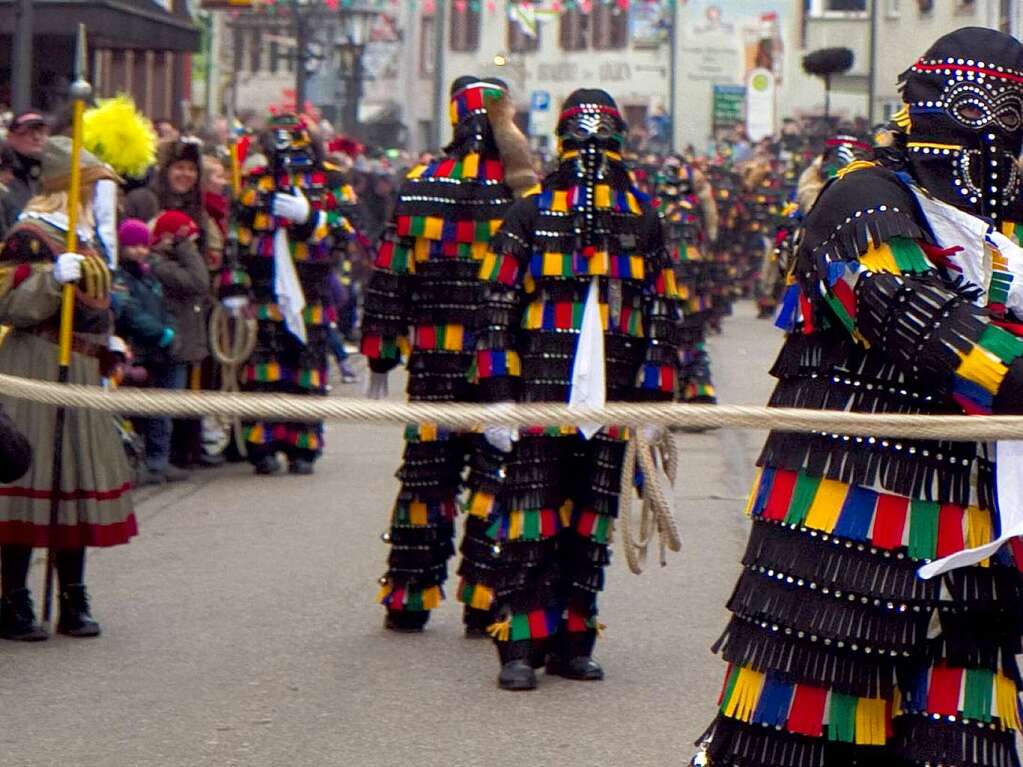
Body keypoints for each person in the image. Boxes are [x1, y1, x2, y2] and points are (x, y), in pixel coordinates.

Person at [693, 28, 1023, 766]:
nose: (1000, 138)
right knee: (805, 740)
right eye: (987, 110)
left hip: (975, 546)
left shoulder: (1008, 221)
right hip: (840, 532)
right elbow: (934, 330)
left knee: (967, 747)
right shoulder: (861, 198)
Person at [465, 89, 685, 690]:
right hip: (540, 389)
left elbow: (664, 310)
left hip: (609, 399)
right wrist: (499, 396)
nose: (592, 156)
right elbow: (498, 306)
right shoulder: (529, 214)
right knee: (528, 521)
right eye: (582, 143)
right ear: (563, 144)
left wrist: (654, 405)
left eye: (603, 143)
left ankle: (572, 639)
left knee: (590, 525)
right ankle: (518, 645)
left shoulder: (642, 216)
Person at [362, 76, 536, 635]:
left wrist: (382, 352)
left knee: (426, 476)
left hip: (435, 359)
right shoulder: (525, 195)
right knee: (496, 477)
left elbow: (391, 277)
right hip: (500, 362)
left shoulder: (419, 186)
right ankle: (484, 600)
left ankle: (409, 596)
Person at [0, 137, 137, 641]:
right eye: (94, 185)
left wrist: (109, 337)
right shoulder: (30, 234)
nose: (103, 196)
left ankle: (73, 596)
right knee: (28, 485)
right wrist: (51, 281)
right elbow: (8, 304)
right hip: (37, 364)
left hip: (81, 366)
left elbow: (100, 302)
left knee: (73, 479)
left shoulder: (90, 236)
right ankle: (12, 597)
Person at [230, 113, 357, 476]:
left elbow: (350, 232)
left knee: (307, 374)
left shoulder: (333, 181)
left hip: (312, 293)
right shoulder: (255, 184)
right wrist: (235, 285)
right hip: (265, 293)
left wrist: (313, 219)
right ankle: (262, 446)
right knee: (263, 377)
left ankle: (304, 447)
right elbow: (236, 239)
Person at [111, 218, 187, 485]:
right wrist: (158, 333)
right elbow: (129, 312)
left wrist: (172, 331)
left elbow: (166, 306)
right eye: (133, 246)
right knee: (140, 411)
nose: (140, 251)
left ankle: (159, 460)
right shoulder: (119, 277)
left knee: (164, 410)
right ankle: (142, 462)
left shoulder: (151, 275)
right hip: (140, 350)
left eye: (144, 245)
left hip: (163, 351)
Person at [655, 156, 719, 404]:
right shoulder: (697, 206)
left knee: (672, 337)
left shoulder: (657, 206)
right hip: (689, 285)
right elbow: (710, 237)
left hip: (674, 285)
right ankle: (695, 390)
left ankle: (679, 392)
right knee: (690, 339)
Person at [1, 110, 49, 235]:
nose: (37, 137)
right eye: (28, 132)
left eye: (41, 132)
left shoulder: (51, 173)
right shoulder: (6, 175)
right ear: (10, 136)